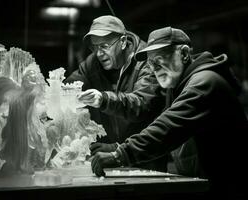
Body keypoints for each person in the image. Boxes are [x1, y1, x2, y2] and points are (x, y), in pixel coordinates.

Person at [91, 27, 248, 199]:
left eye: (159, 59)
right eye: (150, 63)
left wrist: (120, 155)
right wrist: (116, 147)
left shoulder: (204, 83)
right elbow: (159, 130)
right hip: (204, 186)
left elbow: (167, 128)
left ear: (185, 54)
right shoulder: (177, 87)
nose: (154, 68)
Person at [65, 15, 167, 171]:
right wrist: (46, 99)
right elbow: (70, 86)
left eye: (104, 46)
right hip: (108, 158)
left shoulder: (146, 61)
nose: (99, 53)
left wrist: (104, 99)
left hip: (146, 160)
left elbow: (142, 105)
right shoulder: (93, 63)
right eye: (94, 47)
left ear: (123, 42)